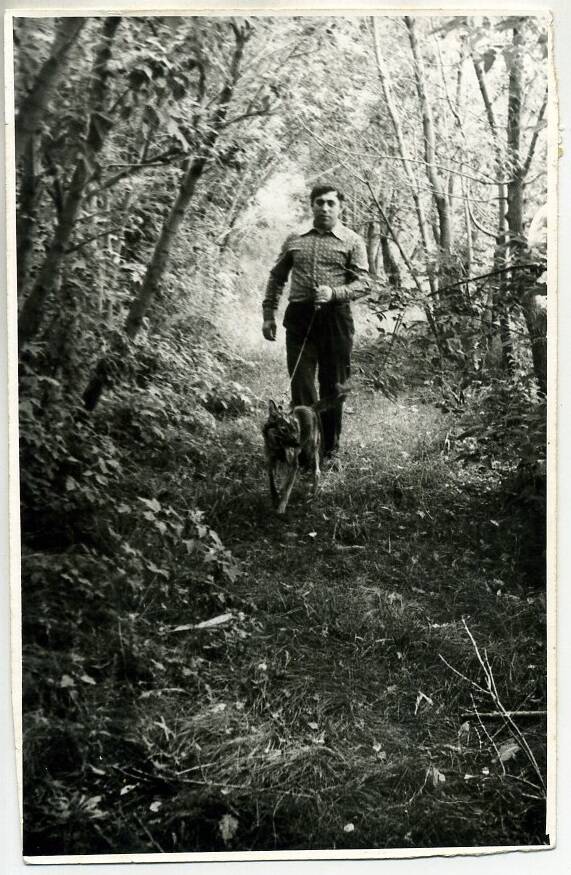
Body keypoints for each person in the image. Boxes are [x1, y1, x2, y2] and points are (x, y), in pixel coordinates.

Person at [262, 182, 371, 461]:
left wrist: (334, 293)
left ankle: (330, 450)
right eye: (319, 202)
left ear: (340, 207)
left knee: (334, 386)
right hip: (299, 319)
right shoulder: (294, 238)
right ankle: (306, 449)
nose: (324, 208)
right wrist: (268, 315)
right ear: (311, 205)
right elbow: (277, 277)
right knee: (301, 385)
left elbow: (365, 284)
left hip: (336, 321)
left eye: (331, 203)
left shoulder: (352, 240)